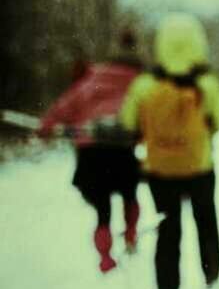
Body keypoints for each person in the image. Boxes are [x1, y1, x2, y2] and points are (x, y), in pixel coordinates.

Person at [120, 13, 219, 289]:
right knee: (205, 219)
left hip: (160, 170)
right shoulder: (207, 84)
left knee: (167, 228)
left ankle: (168, 288)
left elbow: (129, 123)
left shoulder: (144, 85)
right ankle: (212, 273)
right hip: (199, 166)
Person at [39, 29, 144, 273]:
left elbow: (62, 108)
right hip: (121, 148)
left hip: (91, 152)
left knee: (102, 209)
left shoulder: (90, 80)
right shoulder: (138, 81)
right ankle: (130, 235)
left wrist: (45, 128)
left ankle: (105, 258)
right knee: (130, 195)